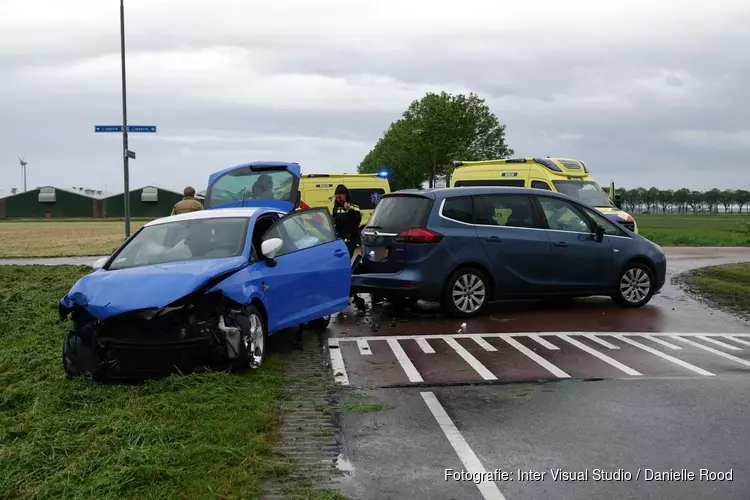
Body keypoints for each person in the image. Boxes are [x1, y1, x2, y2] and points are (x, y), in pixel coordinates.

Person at [331, 184, 365, 307]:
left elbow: (357, 219)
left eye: (340, 197)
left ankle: (349, 290)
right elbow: (334, 217)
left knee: (346, 264)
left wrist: (349, 209)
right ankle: (343, 289)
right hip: (340, 239)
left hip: (350, 239)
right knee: (340, 264)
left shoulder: (353, 204)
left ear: (345, 195)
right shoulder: (337, 205)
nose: (338, 200)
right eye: (337, 197)